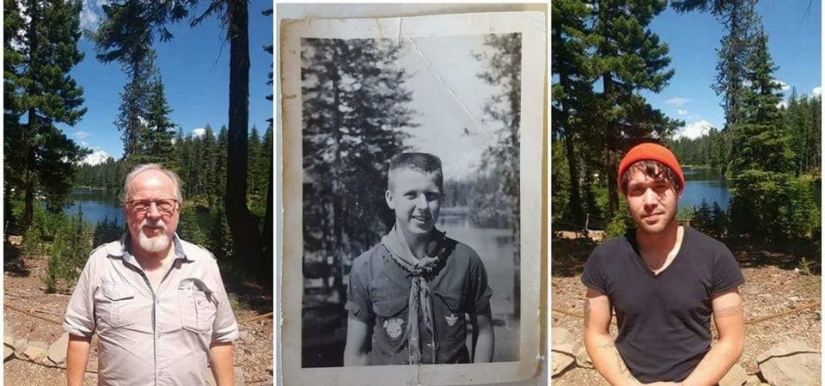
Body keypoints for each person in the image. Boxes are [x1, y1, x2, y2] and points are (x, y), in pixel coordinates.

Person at [582, 142, 745, 385]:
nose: (649, 201)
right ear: (626, 196)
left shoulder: (714, 256)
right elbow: (595, 334)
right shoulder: (605, 258)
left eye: (660, 187)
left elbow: (732, 339)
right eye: (637, 190)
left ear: (678, 189)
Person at [63, 164, 239, 385]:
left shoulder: (204, 265)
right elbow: (79, 333)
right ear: (126, 209)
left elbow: (220, 339)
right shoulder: (101, 262)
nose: (154, 214)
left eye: (164, 204)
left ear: (178, 209)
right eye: (142, 204)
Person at [343, 152, 495, 365]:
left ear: (441, 198)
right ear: (390, 199)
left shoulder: (466, 261)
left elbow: (485, 332)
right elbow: (355, 353)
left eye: (431, 195)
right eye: (411, 195)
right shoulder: (366, 268)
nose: (423, 205)